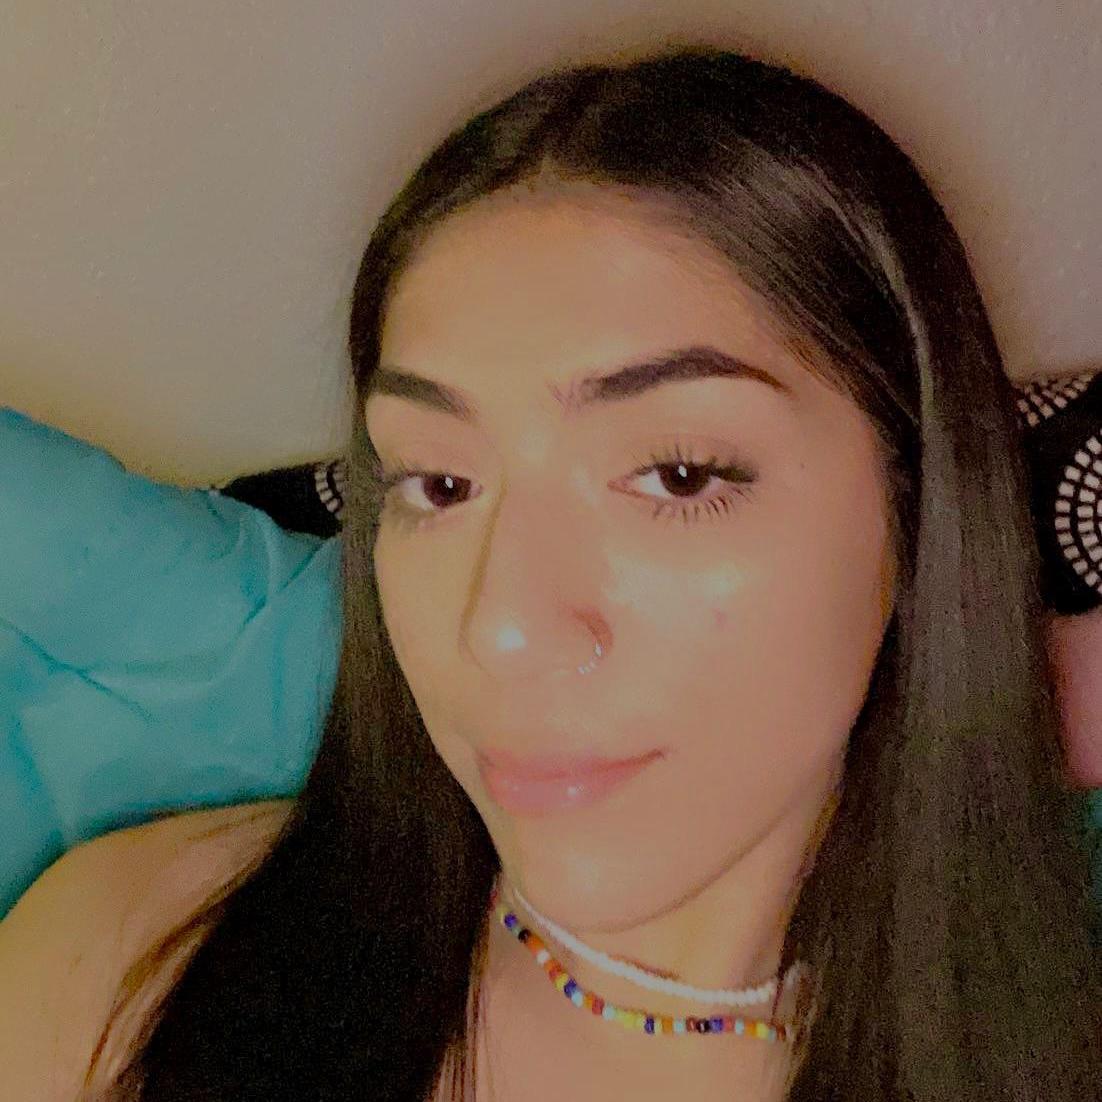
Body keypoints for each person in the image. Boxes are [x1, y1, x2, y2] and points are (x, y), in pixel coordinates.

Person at [1, 41, 1099, 1102]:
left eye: (676, 475)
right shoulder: (133, 963)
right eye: (437, 485)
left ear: (920, 507)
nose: (500, 626)